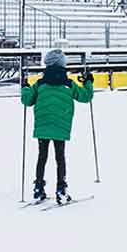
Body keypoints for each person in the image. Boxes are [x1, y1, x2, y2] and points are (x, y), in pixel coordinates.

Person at [20, 48, 93, 203]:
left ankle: (38, 187)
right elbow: (86, 97)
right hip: (61, 125)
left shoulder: (40, 84)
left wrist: (25, 87)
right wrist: (88, 82)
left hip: (43, 125)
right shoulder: (68, 84)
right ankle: (61, 189)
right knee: (60, 157)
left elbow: (27, 101)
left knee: (42, 156)